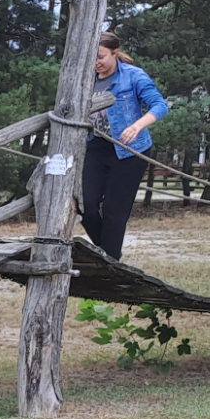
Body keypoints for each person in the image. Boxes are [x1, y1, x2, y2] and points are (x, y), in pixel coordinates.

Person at [81, 31, 169, 260]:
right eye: (91, 58)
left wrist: (137, 126)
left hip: (130, 151)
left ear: (115, 53)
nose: (96, 63)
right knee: (85, 204)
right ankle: (108, 255)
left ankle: (109, 262)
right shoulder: (85, 79)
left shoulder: (133, 76)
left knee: (114, 210)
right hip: (97, 146)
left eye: (100, 57)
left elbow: (160, 106)